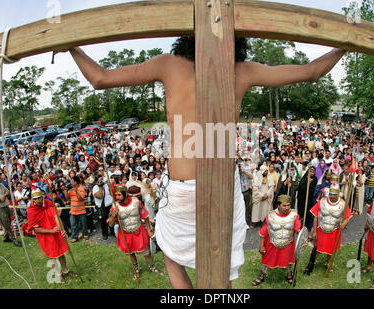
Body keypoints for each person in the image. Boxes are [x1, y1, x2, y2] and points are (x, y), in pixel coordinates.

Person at [67, 36, 346, 288]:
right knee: (219, 271)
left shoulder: (170, 64)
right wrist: (345, 45)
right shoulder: (241, 70)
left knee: (171, 255)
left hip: (185, 187)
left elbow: (99, 78)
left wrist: (71, 46)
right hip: (221, 189)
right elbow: (312, 71)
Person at [108, 185, 163, 278]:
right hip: (125, 233)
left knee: (146, 252)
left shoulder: (136, 201)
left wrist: (149, 229)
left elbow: (144, 215)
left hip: (139, 231)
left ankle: (152, 267)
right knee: (131, 253)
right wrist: (113, 215)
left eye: (119, 195)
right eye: (116, 195)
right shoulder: (114, 206)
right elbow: (111, 224)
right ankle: (136, 268)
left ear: (125, 194)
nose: (117, 197)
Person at [26, 189, 77, 284]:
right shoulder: (31, 211)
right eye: (35, 199)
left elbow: (56, 215)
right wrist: (51, 231)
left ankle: (65, 270)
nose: (37, 201)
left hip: (56, 231)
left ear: (43, 197)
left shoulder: (48, 202)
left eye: (39, 198)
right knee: (52, 256)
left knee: (61, 252)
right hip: (45, 236)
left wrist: (62, 230)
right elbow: (37, 229)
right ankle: (58, 275)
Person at [252, 195, 301, 286]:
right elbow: (263, 232)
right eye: (284, 205)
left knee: (288, 260)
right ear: (278, 205)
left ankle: (289, 275)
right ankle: (262, 275)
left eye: (289, 205)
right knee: (267, 260)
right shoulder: (271, 216)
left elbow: (297, 226)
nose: (287, 208)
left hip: (288, 243)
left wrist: (298, 230)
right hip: (272, 243)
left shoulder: (294, 215)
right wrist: (262, 246)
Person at [308, 182, 352, 273]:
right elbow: (316, 216)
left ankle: (328, 263)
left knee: (331, 249)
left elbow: (347, 217)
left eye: (334, 195)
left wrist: (344, 223)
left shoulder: (343, 204)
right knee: (317, 249)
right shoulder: (322, 201)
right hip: (321, 229)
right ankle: (312, 263)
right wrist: (314, 231)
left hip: (334, 230)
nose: (332, 196)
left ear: (338, 194)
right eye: (331, 194)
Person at [0, 172, 21, 247]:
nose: (1, 179)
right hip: (0, 208)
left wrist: (5, 195)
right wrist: (5, 195)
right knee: (7, 225)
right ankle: (14, 240)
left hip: (6, 206)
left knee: (8, 222)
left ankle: (5, 238)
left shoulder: (0, 184)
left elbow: (8, 191)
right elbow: (1, 199)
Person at [92, 171, 114, 240]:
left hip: (109, 205)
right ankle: (105, 233)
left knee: (111, 219)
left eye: (102, 179)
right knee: (103, 221)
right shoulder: (95, 187)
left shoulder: (106, 185)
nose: (101, 181)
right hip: (102, 207)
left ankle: (112, 232)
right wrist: (100, 187)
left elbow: (110, 193)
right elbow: (100, 196)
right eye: (99, 179)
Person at [68, 175, 88, 242]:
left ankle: (85, 233)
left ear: (76, 182)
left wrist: (76, 192)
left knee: (84, 224)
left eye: (72, 181)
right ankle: (75, 237)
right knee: (73, 224)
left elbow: (80, 199)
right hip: (73, 211)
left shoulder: (81, 189)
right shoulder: (70, 189)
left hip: (81, 210)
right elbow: (67, 198)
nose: (71, 182)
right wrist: (65, 190)